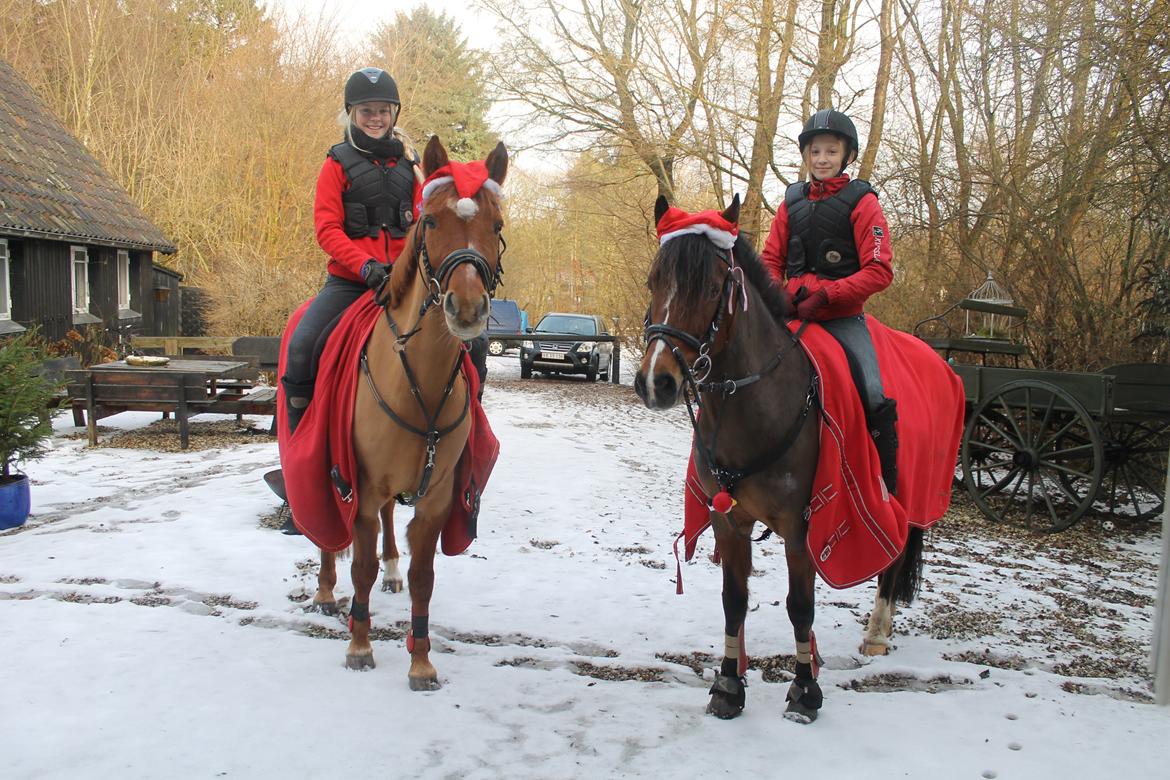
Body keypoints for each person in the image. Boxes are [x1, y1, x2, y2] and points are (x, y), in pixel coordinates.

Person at [759, 108, 899, 496]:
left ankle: (886, 483)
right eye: (815, 152)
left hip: (841, 319)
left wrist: (827, 295)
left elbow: (879, 270)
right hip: (792, 314)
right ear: (806, 156)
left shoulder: (863, 201)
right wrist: (779, 296)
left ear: (846, 156)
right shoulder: (791, 201)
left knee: (873, 390)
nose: (822, 159)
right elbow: (771, 260)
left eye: (831, 152)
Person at [281, 67, 423, 436]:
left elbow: (425, 224)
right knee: (300, 348)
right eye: (366, 111)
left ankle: (459, 452)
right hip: (352, 283)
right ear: (352, 114)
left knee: (472, 344)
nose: (375, 118)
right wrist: (366, 266)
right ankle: (302, 452)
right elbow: (327, 230)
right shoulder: (336, 162)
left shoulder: (414, 166)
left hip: (406, 283)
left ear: (394, 113)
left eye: (382, 110)